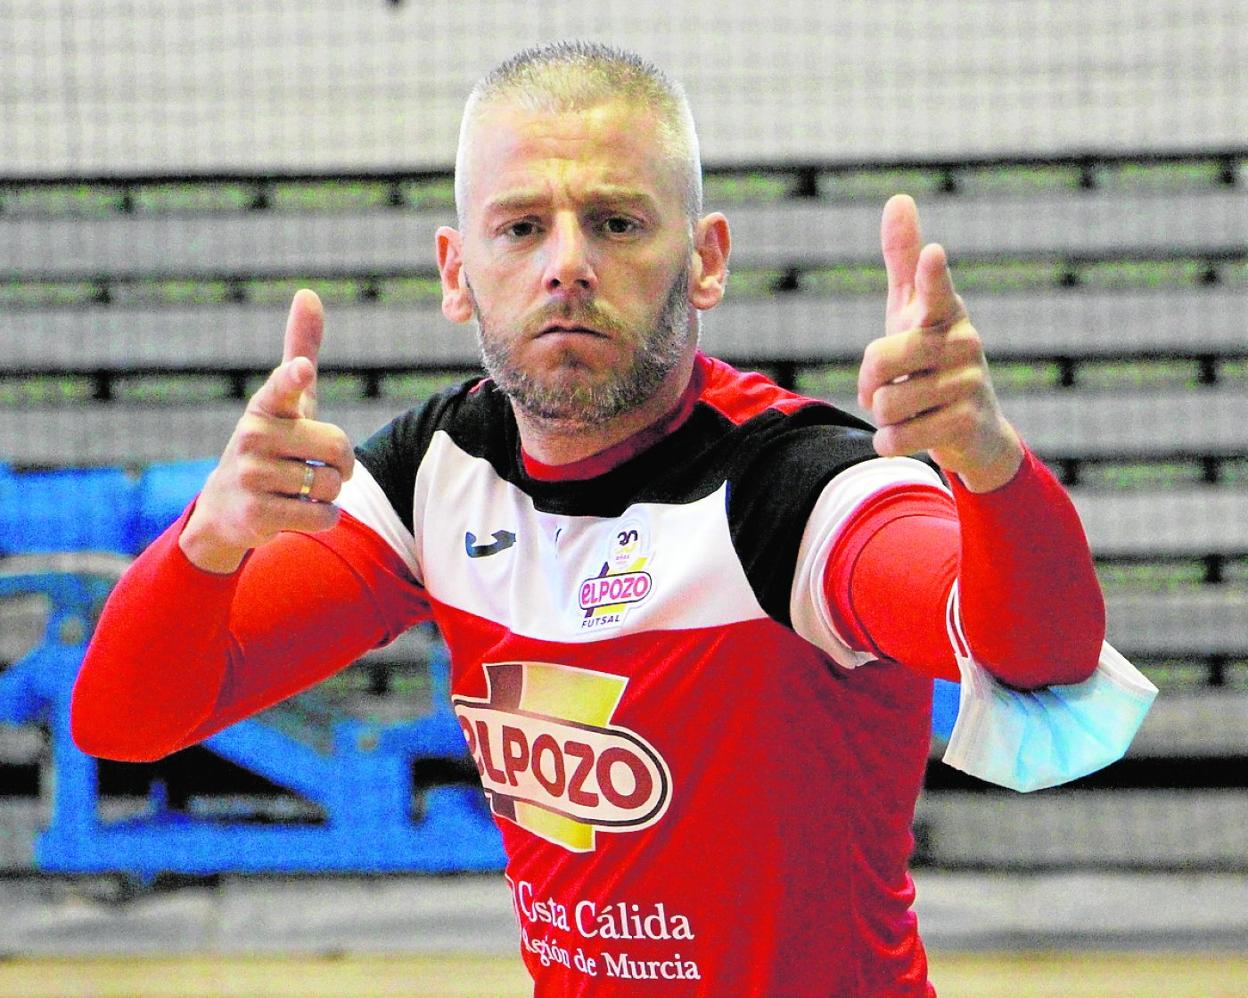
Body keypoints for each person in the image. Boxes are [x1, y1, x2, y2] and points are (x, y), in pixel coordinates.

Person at [70, 41, 1151, 996]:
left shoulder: (794, 492)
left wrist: (989, 464)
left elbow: (1044, 659)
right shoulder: (437, 475)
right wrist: (207, 544)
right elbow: (127, 720)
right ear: (459, 273)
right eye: (523, 225)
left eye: (618, 221)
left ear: (706, 259)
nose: (568, 262)